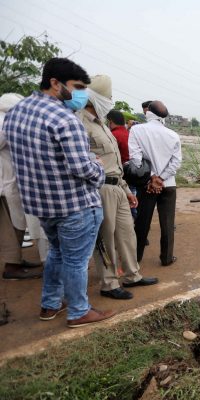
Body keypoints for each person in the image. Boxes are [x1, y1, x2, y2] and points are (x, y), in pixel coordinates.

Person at [3, 57, 115, 327]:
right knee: (76, 261)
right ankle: (79, 310)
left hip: (42, 205)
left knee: (56, 253)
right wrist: (97, 168)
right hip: (74, 205)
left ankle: (50, 304)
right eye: (77, 87)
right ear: (54, 83)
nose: (80, 94)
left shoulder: (17, 112)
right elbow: (81, 168)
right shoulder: (65, 119)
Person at [79, 75, 158, 300]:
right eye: (108, 97)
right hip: (100, 188)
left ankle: (132, 275)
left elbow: (114, 164)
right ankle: (109, 282)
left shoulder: (102, 124)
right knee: (105, 238)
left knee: (126, 233)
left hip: (117, 186)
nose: (110, 101)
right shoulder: (80, 124)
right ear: (94, 99)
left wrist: (125, 189)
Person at [130, 101, 181, 266]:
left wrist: (152, 177)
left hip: (147, 184)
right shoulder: (173, 135)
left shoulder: (137, 130)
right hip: (168, 184)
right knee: (167, 223)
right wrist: (162, 177)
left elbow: (135, 159)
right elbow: (176, 162)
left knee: (142, 223)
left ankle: (135, 259)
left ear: (148, 113)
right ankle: (166, 258)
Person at [0, 93, 43, 280]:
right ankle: (12, 267)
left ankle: (16, 261)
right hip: (5, 185)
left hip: (12, 183)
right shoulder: (3, 123)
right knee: (11, 227)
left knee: (18, 224)